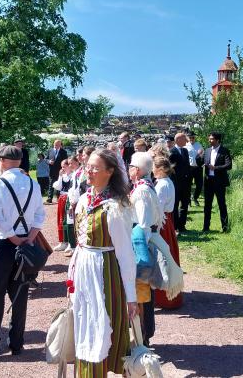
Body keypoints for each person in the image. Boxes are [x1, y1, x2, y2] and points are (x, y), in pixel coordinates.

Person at [68, 148, 137, 377]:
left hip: (105, 273)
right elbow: (79, 243)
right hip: (84, 271)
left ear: (109, 172)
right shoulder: (84, 200)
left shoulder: (115, 206)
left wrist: (132, 297)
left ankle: (102, 370)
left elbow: (126, 254)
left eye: (95, 167)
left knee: (103, 325)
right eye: (88, 166)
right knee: (84, 322)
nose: (89, 170)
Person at [0, 145, 45, 361]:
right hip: (27, 242)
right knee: (19, 295)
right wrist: (28, 240)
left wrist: (14, 239)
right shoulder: (33, 183)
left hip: (3, 245)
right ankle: (17, 342)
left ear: (3, 161)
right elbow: (39, 216)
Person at [128, 151, 162, 346]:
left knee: (141, 291)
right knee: (141, 291)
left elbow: (143, 223)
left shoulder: (141, 191)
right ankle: (142, 334)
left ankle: (143, 336)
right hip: (142, 242)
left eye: (132, 166)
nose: (129, 169)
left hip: (140, 245)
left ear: (138, 170)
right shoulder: (144, 187)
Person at [152, 155, 183, 309]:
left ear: (161, 169)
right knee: (166, 256)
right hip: (166, 220)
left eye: (154, 167)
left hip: (162, 222)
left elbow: (158, 206)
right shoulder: (165, 182)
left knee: (162, 257)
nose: (152, 170)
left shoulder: (163, 184)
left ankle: (164, 297)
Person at [202, 132, 232, 233]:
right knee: (207, 205)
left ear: (217, 140)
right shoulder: (206, 151)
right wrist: (198, 156)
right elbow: (200, 162)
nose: (209, 141)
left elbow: (229, 165)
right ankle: (206, 227)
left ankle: (225, 227)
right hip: (208, 181)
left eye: (211, 139)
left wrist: (215, 168)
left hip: (219, 182)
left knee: (222, 204)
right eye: (209, 139)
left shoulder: (224, 151)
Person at [51, 159, 73, 253]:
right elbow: (58, 187)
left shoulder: (73, 176)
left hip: (69, 198)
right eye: (62, 166)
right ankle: (62, 242)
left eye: (64, 166)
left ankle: (70, 242)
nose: (62, 168)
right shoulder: (63, 176)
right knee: (60, 219)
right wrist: (60, 176)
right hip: (62, 198)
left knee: (68, 220)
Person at [171, 133, 191, 232]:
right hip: (176, 182)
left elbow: (187, 165)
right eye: (184, 139)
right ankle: (175, 226)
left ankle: (182, 225)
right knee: (175, 205)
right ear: (178, 139)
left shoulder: (185, 150)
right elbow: (170, 168)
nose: (186, 141)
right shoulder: (171, 152)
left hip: (185, 182)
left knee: (184, 204)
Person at [186, 132, 204, 206]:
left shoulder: (199, 145)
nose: (191, 139)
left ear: (194, 138)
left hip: (198, 168)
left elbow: (203, 155)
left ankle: (195, 197)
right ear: (188, 138)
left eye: (193, 137)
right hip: (189, 168)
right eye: (190, 137)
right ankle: (188, 199)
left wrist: (201, 154)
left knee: (199, 185)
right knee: (188, 185)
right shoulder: (186, 146)